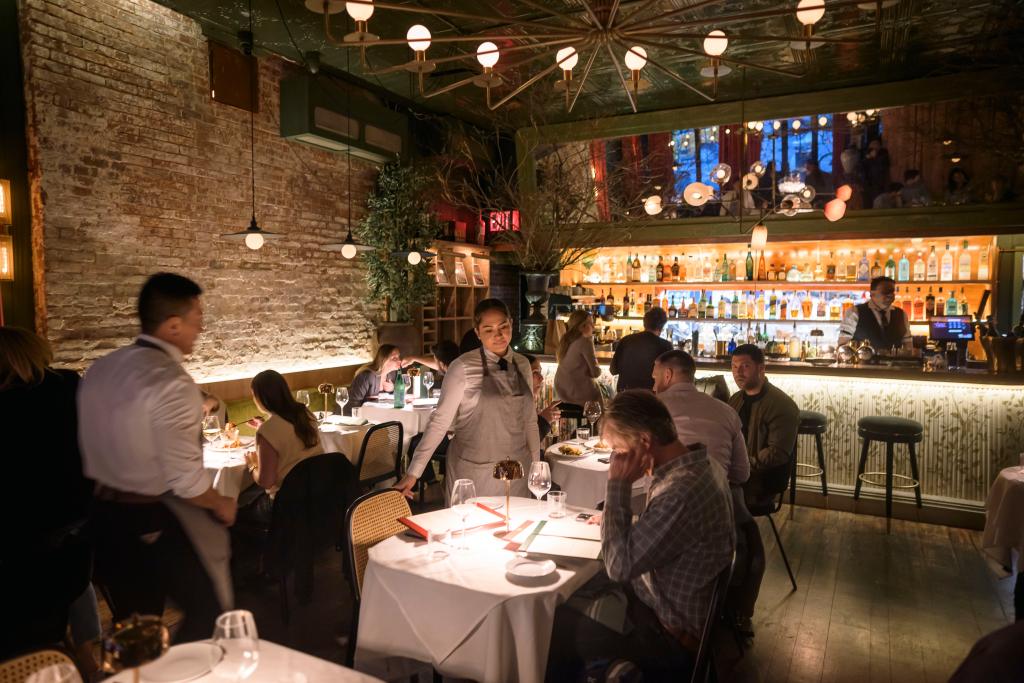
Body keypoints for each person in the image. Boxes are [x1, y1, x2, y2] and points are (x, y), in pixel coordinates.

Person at [80, 273, 236, 641]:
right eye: (198, 319)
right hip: (149, 518)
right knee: (210, 616)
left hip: (99, 519)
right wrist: (221, 502)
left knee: (135, 627)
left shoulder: (102, 368)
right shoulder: (172, 382)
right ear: (173, 325)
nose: (201, 327)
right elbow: (187, 483)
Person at [546, 390, 734, 681]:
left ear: (645, 441)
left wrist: (617, 487)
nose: (615, 460)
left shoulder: (681, 491)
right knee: (578, 589)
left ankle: (616, 670)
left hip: (669, 637)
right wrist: (630, 521)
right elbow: (669, 534)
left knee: (550, 625)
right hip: (663, 606)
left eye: (618, 450)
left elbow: (619, 567)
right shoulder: (701, 465)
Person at [0, 328, 94, 658]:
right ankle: (92, 661)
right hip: (73, 524)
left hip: (18, 539)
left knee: (25, 630)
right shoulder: (67, 387)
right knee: (75, 588)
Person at [396, 299, 540, 501]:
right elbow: (439, 421)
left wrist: (537, 465)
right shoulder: (462, 367)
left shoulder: (522, 363)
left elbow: (529, 420)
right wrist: (414, 472)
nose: (498, 335)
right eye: (488, 329)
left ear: (511, 324)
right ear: (477, 332)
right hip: (474, 472)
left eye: (503, 327)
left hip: (517, 470)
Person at [727, 344, 799, 635]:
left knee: (733, 523)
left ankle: (740, 608)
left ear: (761, 368)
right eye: (734, 367)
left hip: (761, 484)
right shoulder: (735, 400)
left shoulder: (782, 406)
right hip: (736, 478)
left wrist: (740, 469)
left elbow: (778, 454)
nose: (738, 373)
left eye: (744, 366)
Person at [237, 370, 325, 522]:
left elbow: (266, 481)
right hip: (317, 495)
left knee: (236, 508)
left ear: (260, 397)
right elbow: (289, 435)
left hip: (285, 505)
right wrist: (264, 426)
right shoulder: (305, 413)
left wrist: (252, 465)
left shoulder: (267, 431)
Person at [652, 350, 748, 487]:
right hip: (716, 500)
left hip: (667, 497)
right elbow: (741, 473)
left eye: (655, 379)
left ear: (667, 375)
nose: (653, 387)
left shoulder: (652, 408)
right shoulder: (727, 411)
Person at [837, 276, 911, 351]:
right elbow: (843, 345)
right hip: (863, 362)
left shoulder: (901, 314)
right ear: (872, 294)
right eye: (885, 291)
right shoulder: (854, 312)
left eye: (892, 291)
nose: (890, 295)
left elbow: (908, 345)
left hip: (895, 362)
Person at [610, 307, 672, 392]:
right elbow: (669, 379)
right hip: (651, 399)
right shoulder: (666, 346)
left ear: (644, 323)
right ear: (662, 327)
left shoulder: (626, 340)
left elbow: (613, 370)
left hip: (625, 397)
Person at [553, 310, 602, 416]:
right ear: (582, 326)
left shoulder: (565, 341)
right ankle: (597, 429)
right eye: (590, 323)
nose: (593, 326)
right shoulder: (585, 341)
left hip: (561, 393)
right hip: (579, 396)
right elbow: (595, 373)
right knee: (604, 395)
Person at [346, 344, 402, 415]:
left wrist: (393, 388)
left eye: (399, 357)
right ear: (383, 360)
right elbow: (353, 403)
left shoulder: (392, 374)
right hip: (358, 417)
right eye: (394, 358)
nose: (399, 360)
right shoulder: (367, 376)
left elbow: (398, 398)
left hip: (380, 415)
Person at [521, 353, 562, 440]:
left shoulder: (526, 404)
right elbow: (524, 443)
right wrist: (544, 420)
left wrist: (541, 418)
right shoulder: (512, 406)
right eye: (535, 372)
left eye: (540, 372)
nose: (541, 378)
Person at [862, 138, 891, 209]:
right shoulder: (868, 159)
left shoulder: (882, 155)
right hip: (871, 184)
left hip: (879, 184)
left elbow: (882, 168)